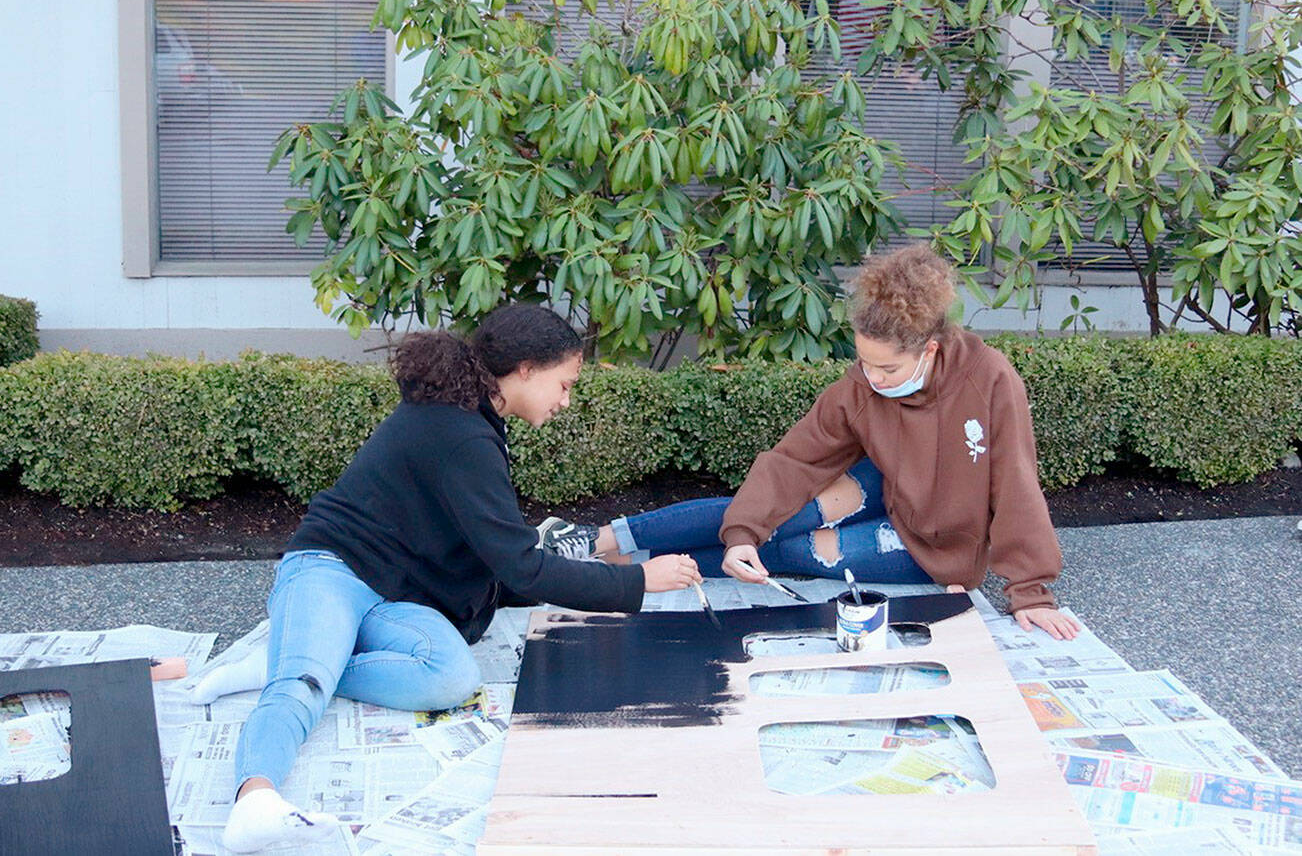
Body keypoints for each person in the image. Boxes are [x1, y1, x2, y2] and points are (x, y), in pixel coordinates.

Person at [199, 305, 702, 853]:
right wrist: (636, 583)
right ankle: (256, 798)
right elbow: (522, 565)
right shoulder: (459, 433)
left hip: (396, 593)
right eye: (564, 383)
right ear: (527, 370)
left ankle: (300, 656)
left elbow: (496, 554)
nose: (565, 400)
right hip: (332, 566)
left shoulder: (475, 421)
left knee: (451, 678)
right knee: (300, 688)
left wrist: (601, 570)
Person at [539, 244, 1080, 641]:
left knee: (790, 552)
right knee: (762, 521)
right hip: (887, 485)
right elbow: (796, 460)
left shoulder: (990, 380)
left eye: (887, 368)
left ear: (931, 350)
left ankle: (614, 576)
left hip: (936, 546)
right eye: (863, 363)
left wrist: (1029, 590)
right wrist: (743, 532)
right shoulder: (862, 385)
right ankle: (594, 541)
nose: (872, 378)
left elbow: (1015, 481)